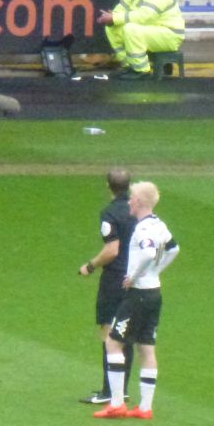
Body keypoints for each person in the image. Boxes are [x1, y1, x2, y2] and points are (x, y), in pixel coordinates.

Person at [94, 181, 180, 420]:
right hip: (155, 293)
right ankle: (145, 407)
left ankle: (117, 403)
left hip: (138, 294)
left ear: (140, 202)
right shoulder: (159, 224)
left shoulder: (142, 230)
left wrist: (133, 276)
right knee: (146, 347)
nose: (129, 201)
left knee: (113, 342)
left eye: (132, 198)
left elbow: (149, 253)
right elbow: (174, 249)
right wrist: (157, 271)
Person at [78, 169, 135, 405]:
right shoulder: (138, 211)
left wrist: (90, 266)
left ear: (107, 185)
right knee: (127, 332)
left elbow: (112, 250)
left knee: (109, 332)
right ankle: (122, 389)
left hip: (115, 279)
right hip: (136, 278)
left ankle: (109, 391)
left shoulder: (110, 213)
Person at [98, 0, 185, 79]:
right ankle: (129, 65)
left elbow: (145, 16)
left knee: (130, 29)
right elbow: (121, 9)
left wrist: (115, 18)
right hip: (153, 30)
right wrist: (112, 18)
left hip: (170, 34)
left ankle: (141, 70)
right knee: (112, 28)